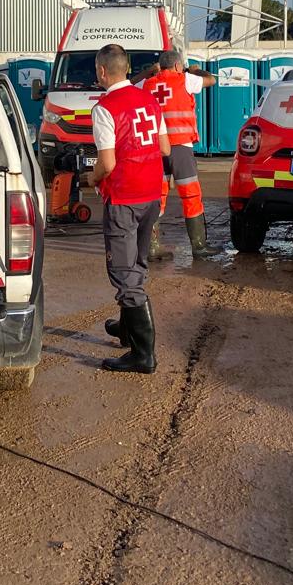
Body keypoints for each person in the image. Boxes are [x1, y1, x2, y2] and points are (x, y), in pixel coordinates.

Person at [91, 43, 169, 374]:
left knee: (124, 273)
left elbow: (106, 164)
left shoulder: (105, 108)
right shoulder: (150, 99)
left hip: (124, 196)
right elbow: (164, 146)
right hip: (152, 194)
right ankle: (127, 329)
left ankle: (143, 355)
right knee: (136, 262)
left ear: (101, 71)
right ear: (127, 68)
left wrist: (87, 177)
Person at [139, 50, 216, 260]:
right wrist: (195, 70)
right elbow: (211, 80)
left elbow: (128, 84)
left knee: (156, 197)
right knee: (191, 195)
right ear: (176, 66)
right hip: (181, 147)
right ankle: (199, 247)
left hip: (155, 149)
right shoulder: (186, 79)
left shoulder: (147, 84)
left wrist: (148, 72)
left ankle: (152, 247)